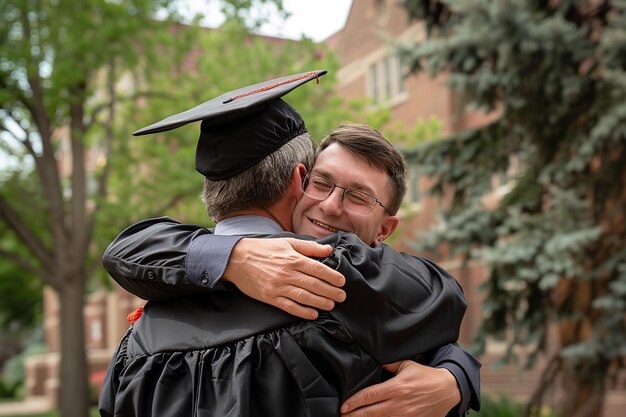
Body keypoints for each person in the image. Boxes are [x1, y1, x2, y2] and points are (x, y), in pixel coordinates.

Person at [99, 70, 480, 417]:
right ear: (300, 179)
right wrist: (460, 377)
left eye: (358, 197)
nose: (331, 206)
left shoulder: (138, 337)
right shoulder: (336, 283)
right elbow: (446, 298)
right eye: (322, 183)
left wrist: (454, 378)